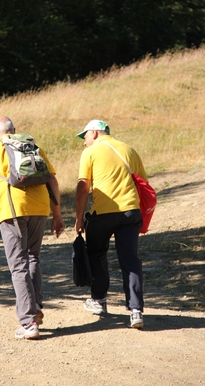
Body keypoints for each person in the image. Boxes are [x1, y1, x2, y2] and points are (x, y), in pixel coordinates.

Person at [0, 115, 64, 339]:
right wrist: (57, 215)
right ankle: (36, 309)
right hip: (40, 208)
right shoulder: (33, 146)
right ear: (14, 130)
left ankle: (28, 322)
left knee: (18, 265)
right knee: (33, 258)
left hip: (12, 211)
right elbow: (52, 180)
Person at [75, 119, 148, 329]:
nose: (84, 142)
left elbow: (82, 187)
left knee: (96, 253)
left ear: (96, 133)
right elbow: (143, 182)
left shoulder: (90, 153)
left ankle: (98, 300)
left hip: (104, 213)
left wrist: (79, 217)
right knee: (130, 259)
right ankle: (136, 311)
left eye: (85, 136)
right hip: (130, 212)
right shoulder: (129, 150)